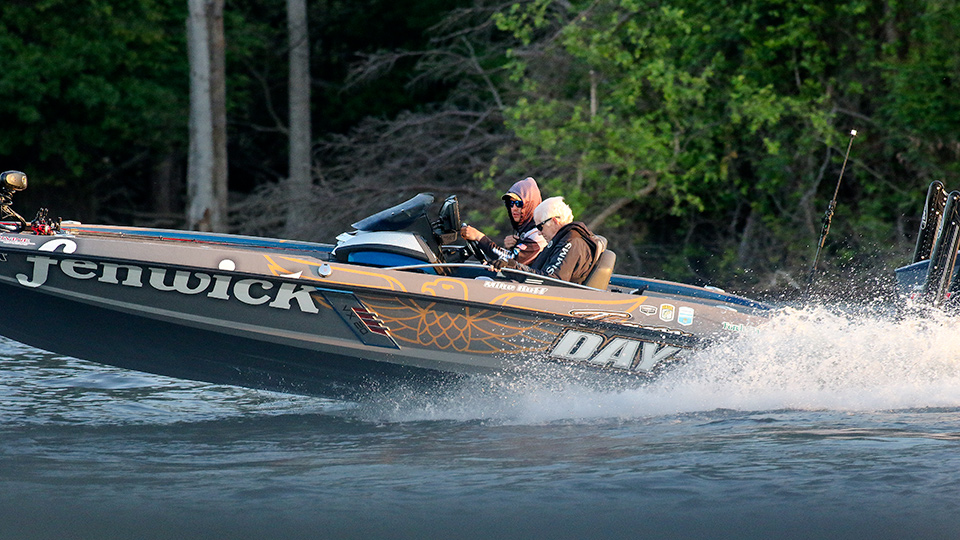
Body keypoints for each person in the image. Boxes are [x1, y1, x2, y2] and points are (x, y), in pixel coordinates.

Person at [493, 196, 600, 284]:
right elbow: (538, 271)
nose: (539, 233)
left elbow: (553, 281)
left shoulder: (573, 242)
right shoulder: (561, 241)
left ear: (555, 221)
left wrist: (515, 268)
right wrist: (510, 266)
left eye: (540, 227)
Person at [460, 177, 547, 265]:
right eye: (511, 203)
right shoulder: (525, 230)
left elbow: (510, 260)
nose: (514, 208)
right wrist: (511, 247)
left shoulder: (539, 235)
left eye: (518, 204)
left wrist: (480, 238)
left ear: (530, 204)